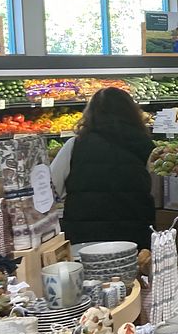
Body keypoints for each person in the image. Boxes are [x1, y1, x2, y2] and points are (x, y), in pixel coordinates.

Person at [51, 87, 155, 249]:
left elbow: (51, 186)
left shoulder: (75, 145)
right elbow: (155, 190)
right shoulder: (147, 147)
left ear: (90, 114)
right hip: (133, 235)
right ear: (132, 113)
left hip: (84, 237)